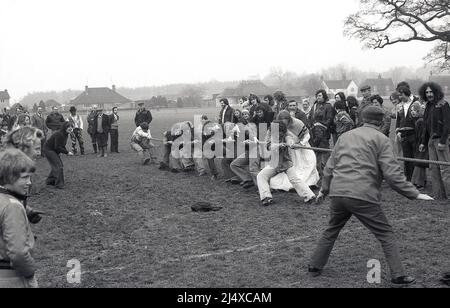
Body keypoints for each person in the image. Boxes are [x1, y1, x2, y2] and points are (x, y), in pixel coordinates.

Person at [308, 105, 433, 287]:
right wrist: (414, 194)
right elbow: (392, 174)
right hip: (362, 194)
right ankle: (398, 275)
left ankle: (314, 266)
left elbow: (329, 167)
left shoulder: (345, 137)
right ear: (381, 121)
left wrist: (324, 190)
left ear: (362, 118)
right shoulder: (382, 140)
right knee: (386, 233)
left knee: (331, 229)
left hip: (338, 193)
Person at [0, 148, 39, 288]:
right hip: (12, 278)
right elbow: (17, 253)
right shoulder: (13, 207)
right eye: (24, 177)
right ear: (9, 177)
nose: (29, 182)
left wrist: (27, 210)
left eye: (30, 177)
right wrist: (29, 272)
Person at [257, 118, 316, 206]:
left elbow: (289, 139)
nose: (278, 133)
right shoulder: (269, 133)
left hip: (285, 162)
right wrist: (278, 145)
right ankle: (266, 197)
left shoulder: (286, 134)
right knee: (261, 176)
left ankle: (309, 196)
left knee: (294, 179)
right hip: (274, 163)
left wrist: (291, 144)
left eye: (280, 132)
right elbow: (268, 146)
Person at [269, 111, 320, 191]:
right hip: (290, 148)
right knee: (294, 166)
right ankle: (294, 184)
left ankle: (309, 183)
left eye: (285, 120)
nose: (284, 123)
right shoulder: (277, 124)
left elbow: (307, 135)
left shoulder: (297, 123)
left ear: (289, 119)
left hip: (301, 146)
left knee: (309, 162)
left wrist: (300, 144)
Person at [419, 82, 450, 199]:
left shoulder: (444, 104)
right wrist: (423, 142)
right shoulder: (428, 106)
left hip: (441, 141)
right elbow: (425, 127)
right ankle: (439, 196)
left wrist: (443, 141)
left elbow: (448, 125)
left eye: (431, 92)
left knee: (445, 169)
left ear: (436, 91)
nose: (429, 94)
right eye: (427, 92)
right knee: (433, 168)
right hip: (430, 142)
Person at [308, 90, 335, 178]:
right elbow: (310, 118)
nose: (318, 97)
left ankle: (327, 172)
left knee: (324, 152)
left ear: (324, 96)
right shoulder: (314, 106)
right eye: (317, 96)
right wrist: (312, 127)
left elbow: (330, 119)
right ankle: (318, 172)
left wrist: (321, 126)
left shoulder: (328, 106)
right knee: (316, 152)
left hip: (323, 133)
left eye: (320, 95)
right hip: (314, 132)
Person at [43, 122, 73, 189]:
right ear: (65, 127)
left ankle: (50, 181)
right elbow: (57, 147)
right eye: (68, 127)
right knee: (59, 166)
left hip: (53, 150)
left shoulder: (66, 134)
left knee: (58, 165)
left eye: (71, 126)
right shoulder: (59, 134)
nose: (70, 128)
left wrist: (66, 151)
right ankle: (59, 184)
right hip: (48, 150)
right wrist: (67, 152)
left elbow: (62, 145)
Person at [396, 86, 417, 181]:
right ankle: (408, 178)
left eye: (401, 95)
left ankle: (417, 180)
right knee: (406, 157)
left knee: (416, 157)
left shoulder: (416, 103)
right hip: (403, 135)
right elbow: (398, 120)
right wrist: (398, 131)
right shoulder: (399, 106)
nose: (400, 97)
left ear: (406, 93)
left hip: (414, 134)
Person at [410, 102, 428, 189]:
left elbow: (421, 134)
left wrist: (421, 143)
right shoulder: (417, 120)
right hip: (421, 143)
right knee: (420, 162)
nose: (412, 112)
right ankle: (420, 181)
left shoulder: (420, 121)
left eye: (414, 110)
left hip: (421, 144)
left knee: (419, 162)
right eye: (411, 110)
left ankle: (418, 182)